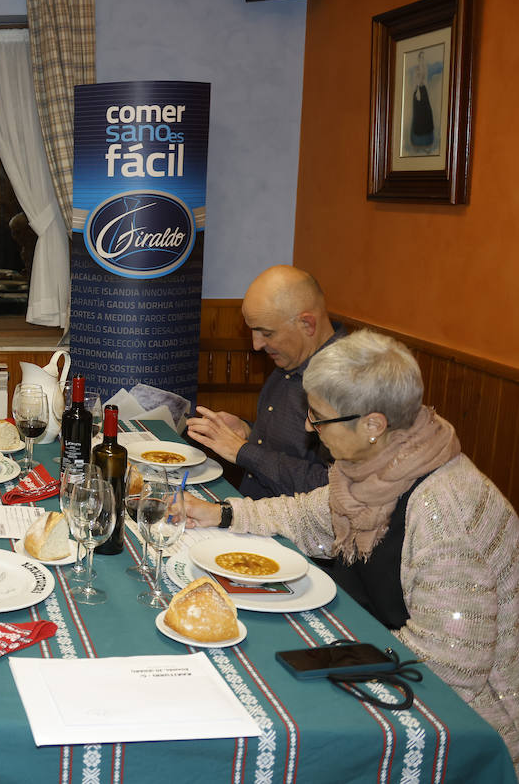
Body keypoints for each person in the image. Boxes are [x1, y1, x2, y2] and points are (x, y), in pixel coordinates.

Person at [186, 330, 519, 769]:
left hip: (457, 724)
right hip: (382, 657)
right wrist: (222, 514)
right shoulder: (378, 468)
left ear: (373, 425)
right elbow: (308, 516)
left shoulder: (446, 508)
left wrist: (328, 658)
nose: (309, 427)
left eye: (319, 417)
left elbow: (451, 666)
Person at [186, 265, 347, 498]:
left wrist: (243, 451)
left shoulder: (348, 382)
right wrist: (247, 431)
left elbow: (332, 488)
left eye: (267, 333)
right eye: (253, 331)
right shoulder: (289, 358)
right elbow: (290, 448)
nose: (256, 345)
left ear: (307, 324)